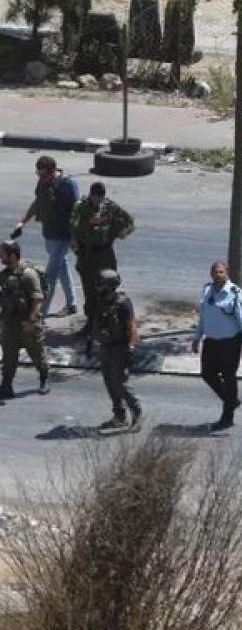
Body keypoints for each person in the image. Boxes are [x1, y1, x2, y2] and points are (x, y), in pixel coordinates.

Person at [192, 261, 242, 431]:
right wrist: (196, 338)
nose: (218, 275)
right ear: (211, 274)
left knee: (229, 378)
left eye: (221, 272)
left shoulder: (235, 295)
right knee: (207, 374)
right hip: (211, 342)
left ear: (227, 273)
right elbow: (203, 317)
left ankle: (227, 417)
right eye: (215, 272)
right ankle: (231, 401)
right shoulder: (207, 291)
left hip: (230, 343)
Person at [12, 156, 80, 319]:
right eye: (39, 175)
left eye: (43, 175)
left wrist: (74, 238)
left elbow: (76, 214)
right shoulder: (43, 183)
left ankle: (40, 312)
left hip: (63, 236)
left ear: (53, 170)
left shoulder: (67, 185)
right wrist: (22, 222)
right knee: (62, 268)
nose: (40, 178)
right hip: (49, 233)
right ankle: (72, 304)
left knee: (50, 275)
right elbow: (37, 203)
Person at [70, 182, 134, 339]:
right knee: (89, 291)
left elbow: (129, 222)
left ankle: (108, 324)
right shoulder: (81, 207)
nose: (98, 201)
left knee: (108, 289)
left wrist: (120, 234)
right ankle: (90, 323)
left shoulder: (110, 207)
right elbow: (72, 227)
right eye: (95, 197)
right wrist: (76, 246)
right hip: (88, 254)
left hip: (105, 253)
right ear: (91, 195)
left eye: (101, 198)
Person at [92, 269, 141, 430]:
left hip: (119, 348)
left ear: (109, 286)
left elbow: (132, 327)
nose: (98, 287)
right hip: (105, 347)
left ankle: (136, 412)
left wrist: (130, 348)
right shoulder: (101, 300)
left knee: (122, 384)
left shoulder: (123, 304)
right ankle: (119, 416)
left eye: (101, 284)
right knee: (110, 383)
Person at [0, 241, 49, 398]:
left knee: (36, 353)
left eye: (3, 254)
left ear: (12, 255)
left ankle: (44, 378)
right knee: (8, 355)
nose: (1, 257)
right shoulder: (4, 275)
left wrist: (31, 321)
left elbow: (37, 299)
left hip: (28, 322)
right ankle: (6, 385)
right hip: (10, 323)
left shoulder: (28, 274)